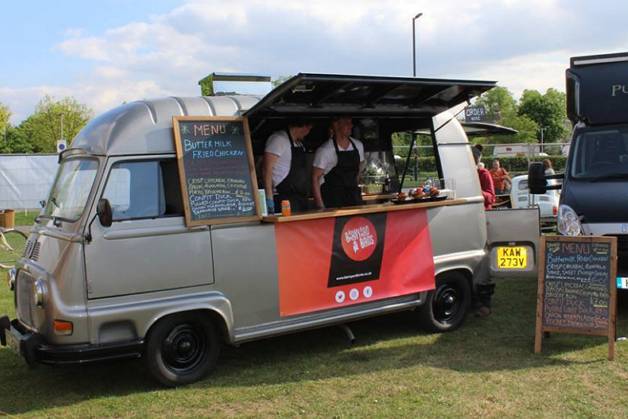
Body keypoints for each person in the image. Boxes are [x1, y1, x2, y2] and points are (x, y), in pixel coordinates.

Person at [312, 117, 365, 209]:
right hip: (333, 199)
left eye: (351, 123)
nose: (351, 126)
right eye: (346, 123)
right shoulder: (325, 150)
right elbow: (315, 178)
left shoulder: (358, 146)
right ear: (336, 125)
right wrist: (320, 206)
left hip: (353, 197)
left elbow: (359, 170)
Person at [263, 119, 313, 213]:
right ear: (303, 127)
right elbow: (266, 169)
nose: (308, 133)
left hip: (300, 197)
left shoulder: (299, 144)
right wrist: (269, 197)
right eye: (309, 129)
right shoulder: (278, 139)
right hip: (283, 197)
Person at [472, 144, 495, 317]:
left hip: (483, 219)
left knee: (484, 259)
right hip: (467, 220)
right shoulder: (464, 174)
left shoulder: (483, 174)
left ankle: (485, 302)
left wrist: (476, 192)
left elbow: (491, 196)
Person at [473, 146, 495, 210]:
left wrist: (478, 192)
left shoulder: (484, 174)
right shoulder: (460, 174)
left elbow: (492, 198)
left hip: (483, 212)